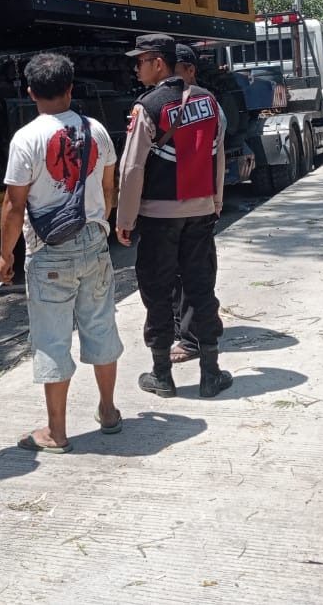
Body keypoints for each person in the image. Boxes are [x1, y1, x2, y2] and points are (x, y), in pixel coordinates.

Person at [0, 53, 123, 453]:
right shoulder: (96, 130)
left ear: (30, 92)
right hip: (93, 242)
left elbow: (14, 206)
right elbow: (108, 187)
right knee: (100, 325)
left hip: (48, 251)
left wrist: (6, 255)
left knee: (52, 339)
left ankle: (57, 432)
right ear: (71, 88)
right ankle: (107, 411)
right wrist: (101, 223)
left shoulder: (25, 139)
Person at [115, 33, 232, 398]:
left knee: (157, 291)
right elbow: (219, 155)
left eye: (141, 61)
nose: (137, 68)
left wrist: (125, 219)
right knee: (201, 288)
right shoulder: (209, 101)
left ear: (158, 63)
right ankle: (210, 374)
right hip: (200, 211)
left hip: (158, 216)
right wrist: (216, 201)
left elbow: (131, 169)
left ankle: (162, 376)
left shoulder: (147, 106)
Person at [170, 43, 202, 364]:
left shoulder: (202, 104)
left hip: (188, 202)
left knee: (188, 272)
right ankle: (188, 329)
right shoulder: (164, 103)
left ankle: (189, 337)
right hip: (190, 202)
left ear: (190, 70)